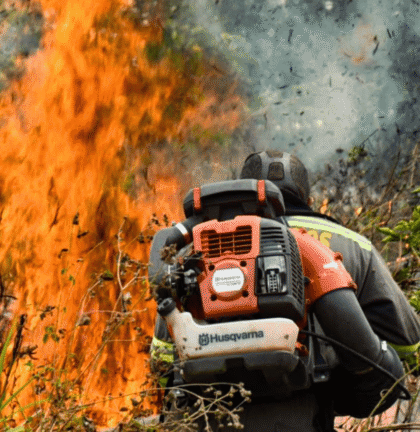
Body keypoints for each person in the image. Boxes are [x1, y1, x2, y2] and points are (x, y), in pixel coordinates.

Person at [149, 150, 420, 431]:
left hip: (206, 414)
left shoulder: (197, 248)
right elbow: (407, 343)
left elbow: (163, 359)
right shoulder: (355, 245)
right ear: (309, 200)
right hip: (304, 411)